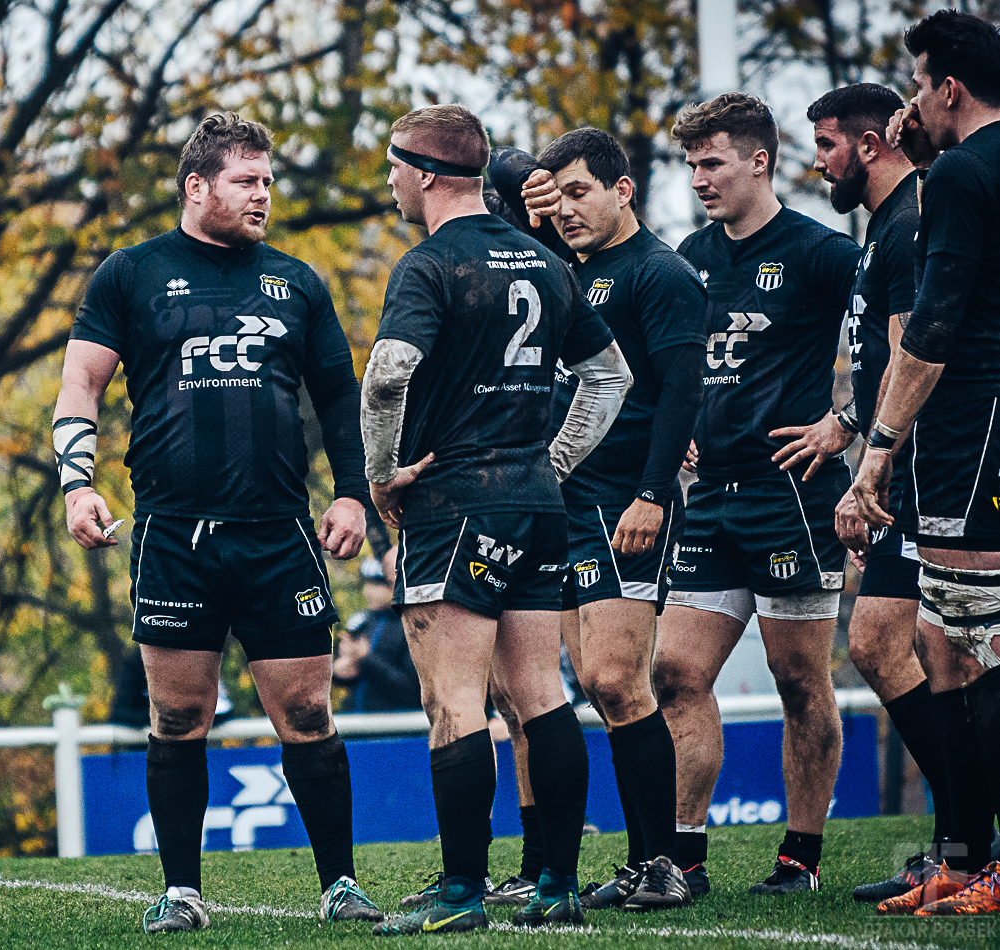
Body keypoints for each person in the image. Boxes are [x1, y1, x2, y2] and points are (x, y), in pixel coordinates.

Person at [53, 112, 382, 932]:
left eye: (268, 181)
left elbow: (341, 398)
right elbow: (80, 386)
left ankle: (339, 884)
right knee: (177, 717)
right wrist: (75, 484)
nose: (263, 194)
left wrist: (352, 493)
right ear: (196, 186)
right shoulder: (130, 274)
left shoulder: (297, 282)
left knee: (306, 713)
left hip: (279, 532)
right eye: (247, 180)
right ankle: (182, 891)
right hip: (173, 535)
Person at [362, 104, 630, 935]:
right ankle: (556, 887)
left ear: (426, 174)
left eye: (394, 171)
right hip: (535, 507)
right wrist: (549, 463)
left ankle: (460, 895)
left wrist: (380, 475)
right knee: (542, 694)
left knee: (456, 705)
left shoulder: (429, 263)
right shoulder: (548, 262)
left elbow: (385, 374)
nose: (392, 186)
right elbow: (608, 376)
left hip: (454, 506)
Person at [488, 127, 706, 912]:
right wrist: (528, 186)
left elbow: (681, 392)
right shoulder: (555, 270)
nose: (566, 209)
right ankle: (550, 861)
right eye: (556, 195)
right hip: (558, 503)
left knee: (617, 679)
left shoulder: (661, 274)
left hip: (623, 503)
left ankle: (662, 863)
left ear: (623, 191)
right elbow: (483, 166)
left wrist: (653, 493)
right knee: (546, 689)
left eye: (579, 191)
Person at [650, 92, 862, 896]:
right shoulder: (688, 255)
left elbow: (900, 335)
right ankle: (683, 858)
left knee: (799, 681)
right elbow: (663, 364)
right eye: (690, 164)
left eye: (711, 162)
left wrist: (844, 422)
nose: (699, 178)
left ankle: (798, 859)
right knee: (673, 671)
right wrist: (677, 429)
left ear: (758, 161)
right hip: (708, 498)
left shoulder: (818, 251)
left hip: (792, 499)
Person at [852, 9, 1000, 916]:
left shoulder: (956, 178)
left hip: (970, 425)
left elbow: (934, 326)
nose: (911, 101)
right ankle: (961, 857)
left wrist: (876, 452)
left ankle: (985, 866)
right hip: (974, 428)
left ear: (947, 86)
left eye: (917, 83)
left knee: (974, 645)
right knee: (941, 643)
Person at [805, 82, 960, 902]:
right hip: (909, 464)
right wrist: (843, 421)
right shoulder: (885, 224)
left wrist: (874, 469)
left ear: (867, 145)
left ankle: (967, 837)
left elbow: (913, 356)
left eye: (827, 143)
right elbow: (878, 365)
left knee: (911, 647)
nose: (817, 160)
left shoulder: (907, 220)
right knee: (904, 647)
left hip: (925, 471)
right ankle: (959, 840)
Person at [334, 548, 422, 712]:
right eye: (366, 583)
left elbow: (412, 690)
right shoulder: (361, 621)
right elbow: (354, 679)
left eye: (377, 585)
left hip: (398, 730)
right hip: (358, 725)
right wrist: (341, 672)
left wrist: (365, 659)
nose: (367, 592)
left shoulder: (413, 626)